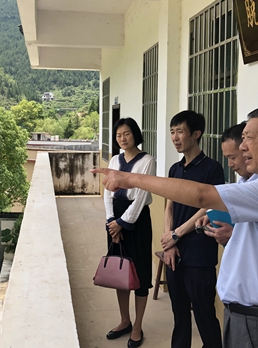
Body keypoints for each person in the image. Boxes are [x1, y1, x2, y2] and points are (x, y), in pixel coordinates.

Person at [93, 106, 258, 348]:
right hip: (248, 317)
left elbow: (201, 196)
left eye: (249, 138)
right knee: (180, 313)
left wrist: (129, 178)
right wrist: (233, 234)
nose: (242, 147)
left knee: (203, 314)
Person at [159, 110, 224, 348]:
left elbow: (208, 206)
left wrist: (177, 234)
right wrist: (169, 242)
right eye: (172, 132)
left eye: (180, 132)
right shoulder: (174, 169)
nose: (175, 138)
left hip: (199, 252)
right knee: (179, 315)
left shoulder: (212, 168)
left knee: (204, 314)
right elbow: (169, 207)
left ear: (196, 134)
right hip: (174, 252)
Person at [103, 117, 156, 348]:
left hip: (137, 220)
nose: (122, 138)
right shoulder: (115, 160)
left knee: (140, 273)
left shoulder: (147, 161)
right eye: (118, 135)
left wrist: (122, 224)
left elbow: (142, 196)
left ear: (135, 134)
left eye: (126, 133)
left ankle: (137, 326)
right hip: (115, 218)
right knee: (120, 270)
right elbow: (108, 193)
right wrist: (111, 221)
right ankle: (124, 320)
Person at [203, 121, 258, 246]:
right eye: (227, 158)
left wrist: (233, 235)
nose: (230, 164)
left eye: (233, 158)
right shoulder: (242, 182)